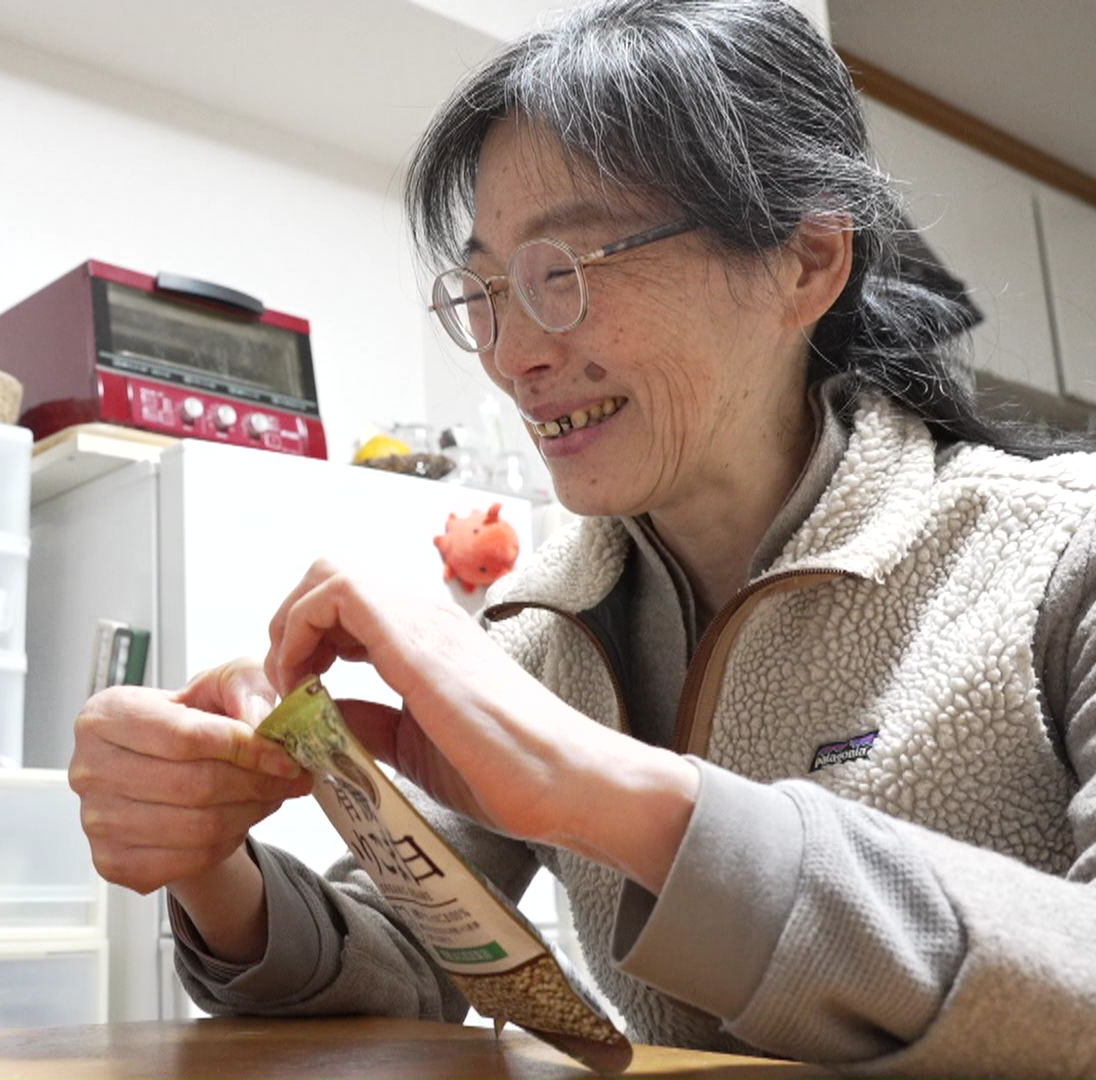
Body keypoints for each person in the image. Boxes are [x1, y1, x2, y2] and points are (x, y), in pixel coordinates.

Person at [68, 0, 1096, 1075]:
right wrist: (209, 860)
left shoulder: (1059, 550)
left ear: (804, 261)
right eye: (485, 291)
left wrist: (610, 793)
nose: (513, 356)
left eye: (564, 272)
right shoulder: (545, 635)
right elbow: (412, 958)